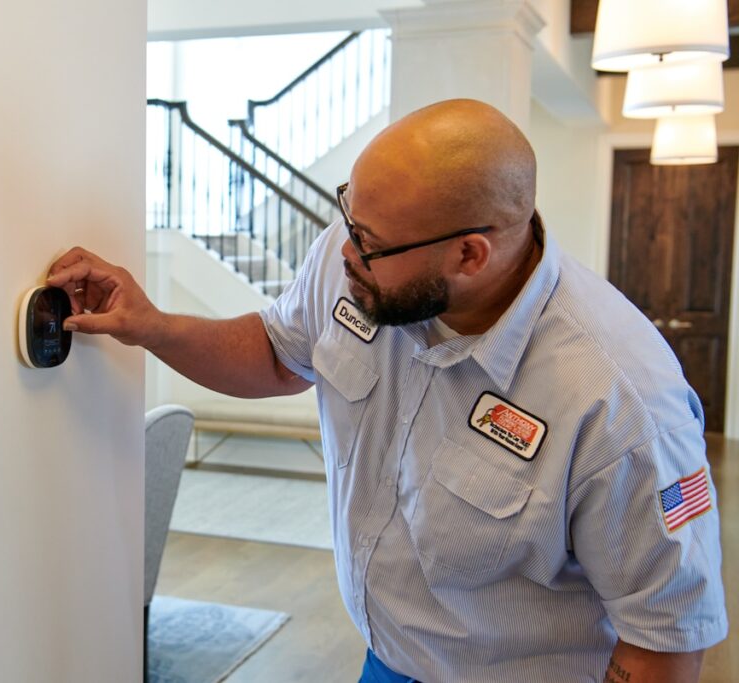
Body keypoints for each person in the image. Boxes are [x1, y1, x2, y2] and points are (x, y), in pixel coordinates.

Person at [47, 99, 727, 682]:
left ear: (469, 254)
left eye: (369, 243)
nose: (345, 252)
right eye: (348, 216)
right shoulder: (358, 261)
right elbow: (282, 354)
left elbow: (663, 637)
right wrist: (152, 326)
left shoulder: (622, 400)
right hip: (385, 659)